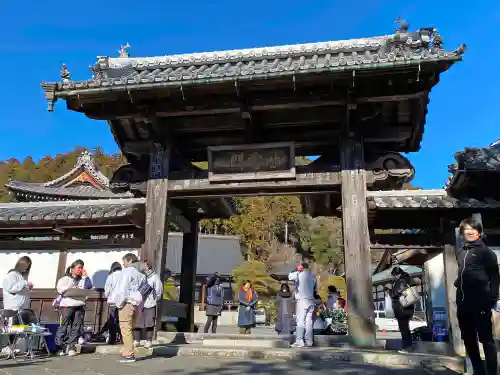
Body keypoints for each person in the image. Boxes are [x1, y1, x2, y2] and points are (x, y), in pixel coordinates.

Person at [454, 218, 499, 375]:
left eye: (473, 229)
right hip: (463, 303)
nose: (470, 231)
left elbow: (494, 277)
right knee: (468, 340)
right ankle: (479, 371)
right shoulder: (461, 252)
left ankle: (492, 372)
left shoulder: (486, 252)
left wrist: (492, 299)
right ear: (462, 233)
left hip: (481, 303)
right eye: (466, 229)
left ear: (479, 232)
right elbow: (464, 273)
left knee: (486, 339)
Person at [107, 253, 146, 363]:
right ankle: (126, 350)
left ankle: (129, 354)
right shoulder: (142, 273)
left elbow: (122, 289)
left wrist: (119, 303)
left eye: (124, 261)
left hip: (127, 302)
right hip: (136, 303)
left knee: (125, 328)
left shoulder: (128, 271)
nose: (123, 264)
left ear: (129, 261)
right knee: (130, 327)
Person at [54, 259, 93, 357]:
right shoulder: (65, 279)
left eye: (82, 268)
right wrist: (72, 290)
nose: (81, 270)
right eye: (79, 268)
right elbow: (61, 289)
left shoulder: (83, 279)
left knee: (76, 327)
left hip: (79, 304)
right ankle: (60, 347)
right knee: (64, 326)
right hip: (67, 305)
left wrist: (85, 276)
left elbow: (88, 287)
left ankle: (71, 347)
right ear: (72, 269)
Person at [2, 256, 37, 356]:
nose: (26, 269)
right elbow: (11, 288)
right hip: (13, 308)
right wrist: (25, 283)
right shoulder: (11, 275)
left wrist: (27, 286)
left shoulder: (21, 277)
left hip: (23, 308)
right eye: (26, 266)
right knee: (13, 328)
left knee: (31, 325)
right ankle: (7, 347)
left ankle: (25, 346)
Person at [388, 266, 419, 354]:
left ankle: (407, 347)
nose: (393, 277)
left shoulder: (401, 280)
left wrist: (389, 291)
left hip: (402, 309)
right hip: (407, 308)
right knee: (405, 328)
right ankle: (407, 347)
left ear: (397, 274)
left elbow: (395, 293)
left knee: (404, 329)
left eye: (393, 276)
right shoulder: (407, 279)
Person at [133, 261, 163, 349]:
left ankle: (149, 340)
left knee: (149, 323)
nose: (142, 266)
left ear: (148, 266)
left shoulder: (155, 277)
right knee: (137, 322)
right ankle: (136, 340)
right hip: (139, 303)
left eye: (144, 265)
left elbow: (159, 291)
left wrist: (154, 299)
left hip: (150, 303)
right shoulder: (141, 276)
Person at [288, 262, 316, 347]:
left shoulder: (299, 274)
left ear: (301, 267)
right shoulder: (312, 277)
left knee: (300, 320)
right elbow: (315, 287)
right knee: (309, 322)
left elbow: (290, 276)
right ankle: (309, 341)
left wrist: (296, 269)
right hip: (311, 300)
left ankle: (299, 340)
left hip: (302, 300)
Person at [103, 261, 122, 345]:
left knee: (113, 321)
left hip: (113, 301)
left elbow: (107, 290)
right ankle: (122, 338)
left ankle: (112, 339)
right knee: (122, 320)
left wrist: (108, 296)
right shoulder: (125, 275)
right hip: (123, 301)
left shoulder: (111, 276)